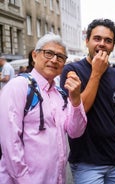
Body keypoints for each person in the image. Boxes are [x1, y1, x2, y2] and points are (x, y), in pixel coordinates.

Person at [0, 33, 87, 183]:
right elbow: (10, 143)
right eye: (48, 53)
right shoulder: (19, 86)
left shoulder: (60, 94)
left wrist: (76, 100)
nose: (54, 60)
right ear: (35, 55)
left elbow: (75, 131)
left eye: (60, 57)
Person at [59, 19, 115, 184]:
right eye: (97, 38)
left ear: (113, 46)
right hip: (87, 162)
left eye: (108, 41)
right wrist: (96, 72)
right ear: (87, 41)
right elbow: (81, 109)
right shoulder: (72, 70)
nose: (102, 44)